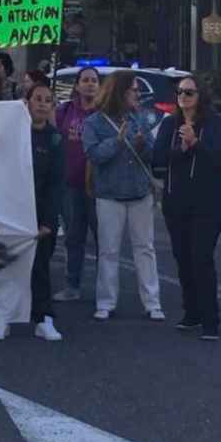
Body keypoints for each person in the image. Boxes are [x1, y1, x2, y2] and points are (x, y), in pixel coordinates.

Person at [81, 70, 164, 322]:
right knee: (108, 250)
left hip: (139, 191)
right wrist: (116, 142)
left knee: (145, 248)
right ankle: (106, 302)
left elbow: (152, 154)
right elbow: (93, 155)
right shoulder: (94, 122)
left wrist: (143, 145)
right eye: (134, 89)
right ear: (120, 91)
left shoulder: (138, 118)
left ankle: (153, 303)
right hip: (109, 194)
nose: (138, 94)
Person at [155, 75, 221, 341]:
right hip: (176, 202)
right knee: (183, 259)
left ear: (201, 96)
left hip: (206, 203)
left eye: (189, 92)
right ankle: (192, 312)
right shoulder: (169, 124)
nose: (183, 97)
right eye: (180, 92)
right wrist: (182, 149)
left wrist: (196, 144)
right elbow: (158, 157)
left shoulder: (215, 124)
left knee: (201, 259)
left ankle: (211, 319)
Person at [0, 83, 64, 342]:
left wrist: (48, 221)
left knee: (40, 267)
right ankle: (3, 317)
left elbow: (57, 184)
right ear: (27, 102)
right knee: (7, 265)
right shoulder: (12, 135)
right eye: (38, 99)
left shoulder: (55, 139)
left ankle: (43, 319)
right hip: (10, 211)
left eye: (48, 100)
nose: (43, 104)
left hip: (40, 214)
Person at [54, 67, 101, 302]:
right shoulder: (65, 111)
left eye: (94, 80)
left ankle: (105, 290)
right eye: (85, 80)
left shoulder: (105, 113)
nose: (90, 84)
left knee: (104, 240)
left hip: (99, 188)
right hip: (71, 184)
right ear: (77, 85)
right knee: (73, 238)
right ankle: (72, 286)